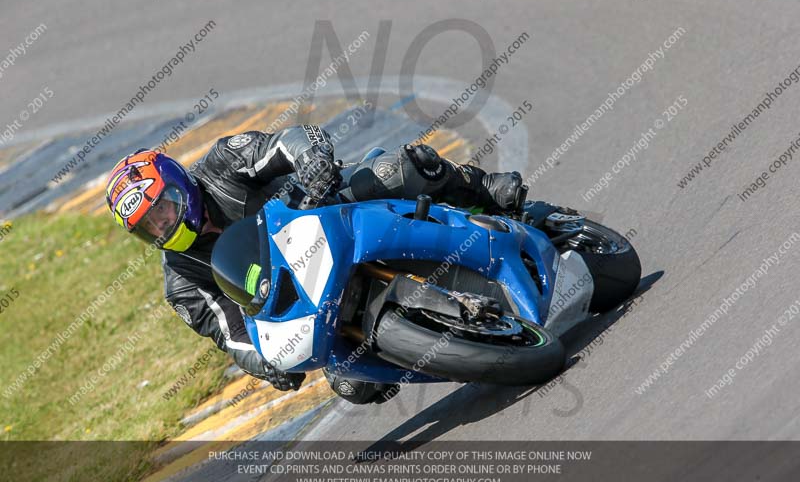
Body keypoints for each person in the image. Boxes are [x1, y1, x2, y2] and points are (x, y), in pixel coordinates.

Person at [105, 124, 524, 404]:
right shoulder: (181, 281)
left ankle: (484, 189)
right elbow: (231, 336)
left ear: (180, 185)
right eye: (148, 226)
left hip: (331, 210)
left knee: (402, 168)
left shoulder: (221, 164)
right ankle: (440, 339)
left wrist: (313, 162)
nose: (163, 224)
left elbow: (289, 140)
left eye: (163, 208)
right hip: (309, 295)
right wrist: (266, 364)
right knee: (355, 383)